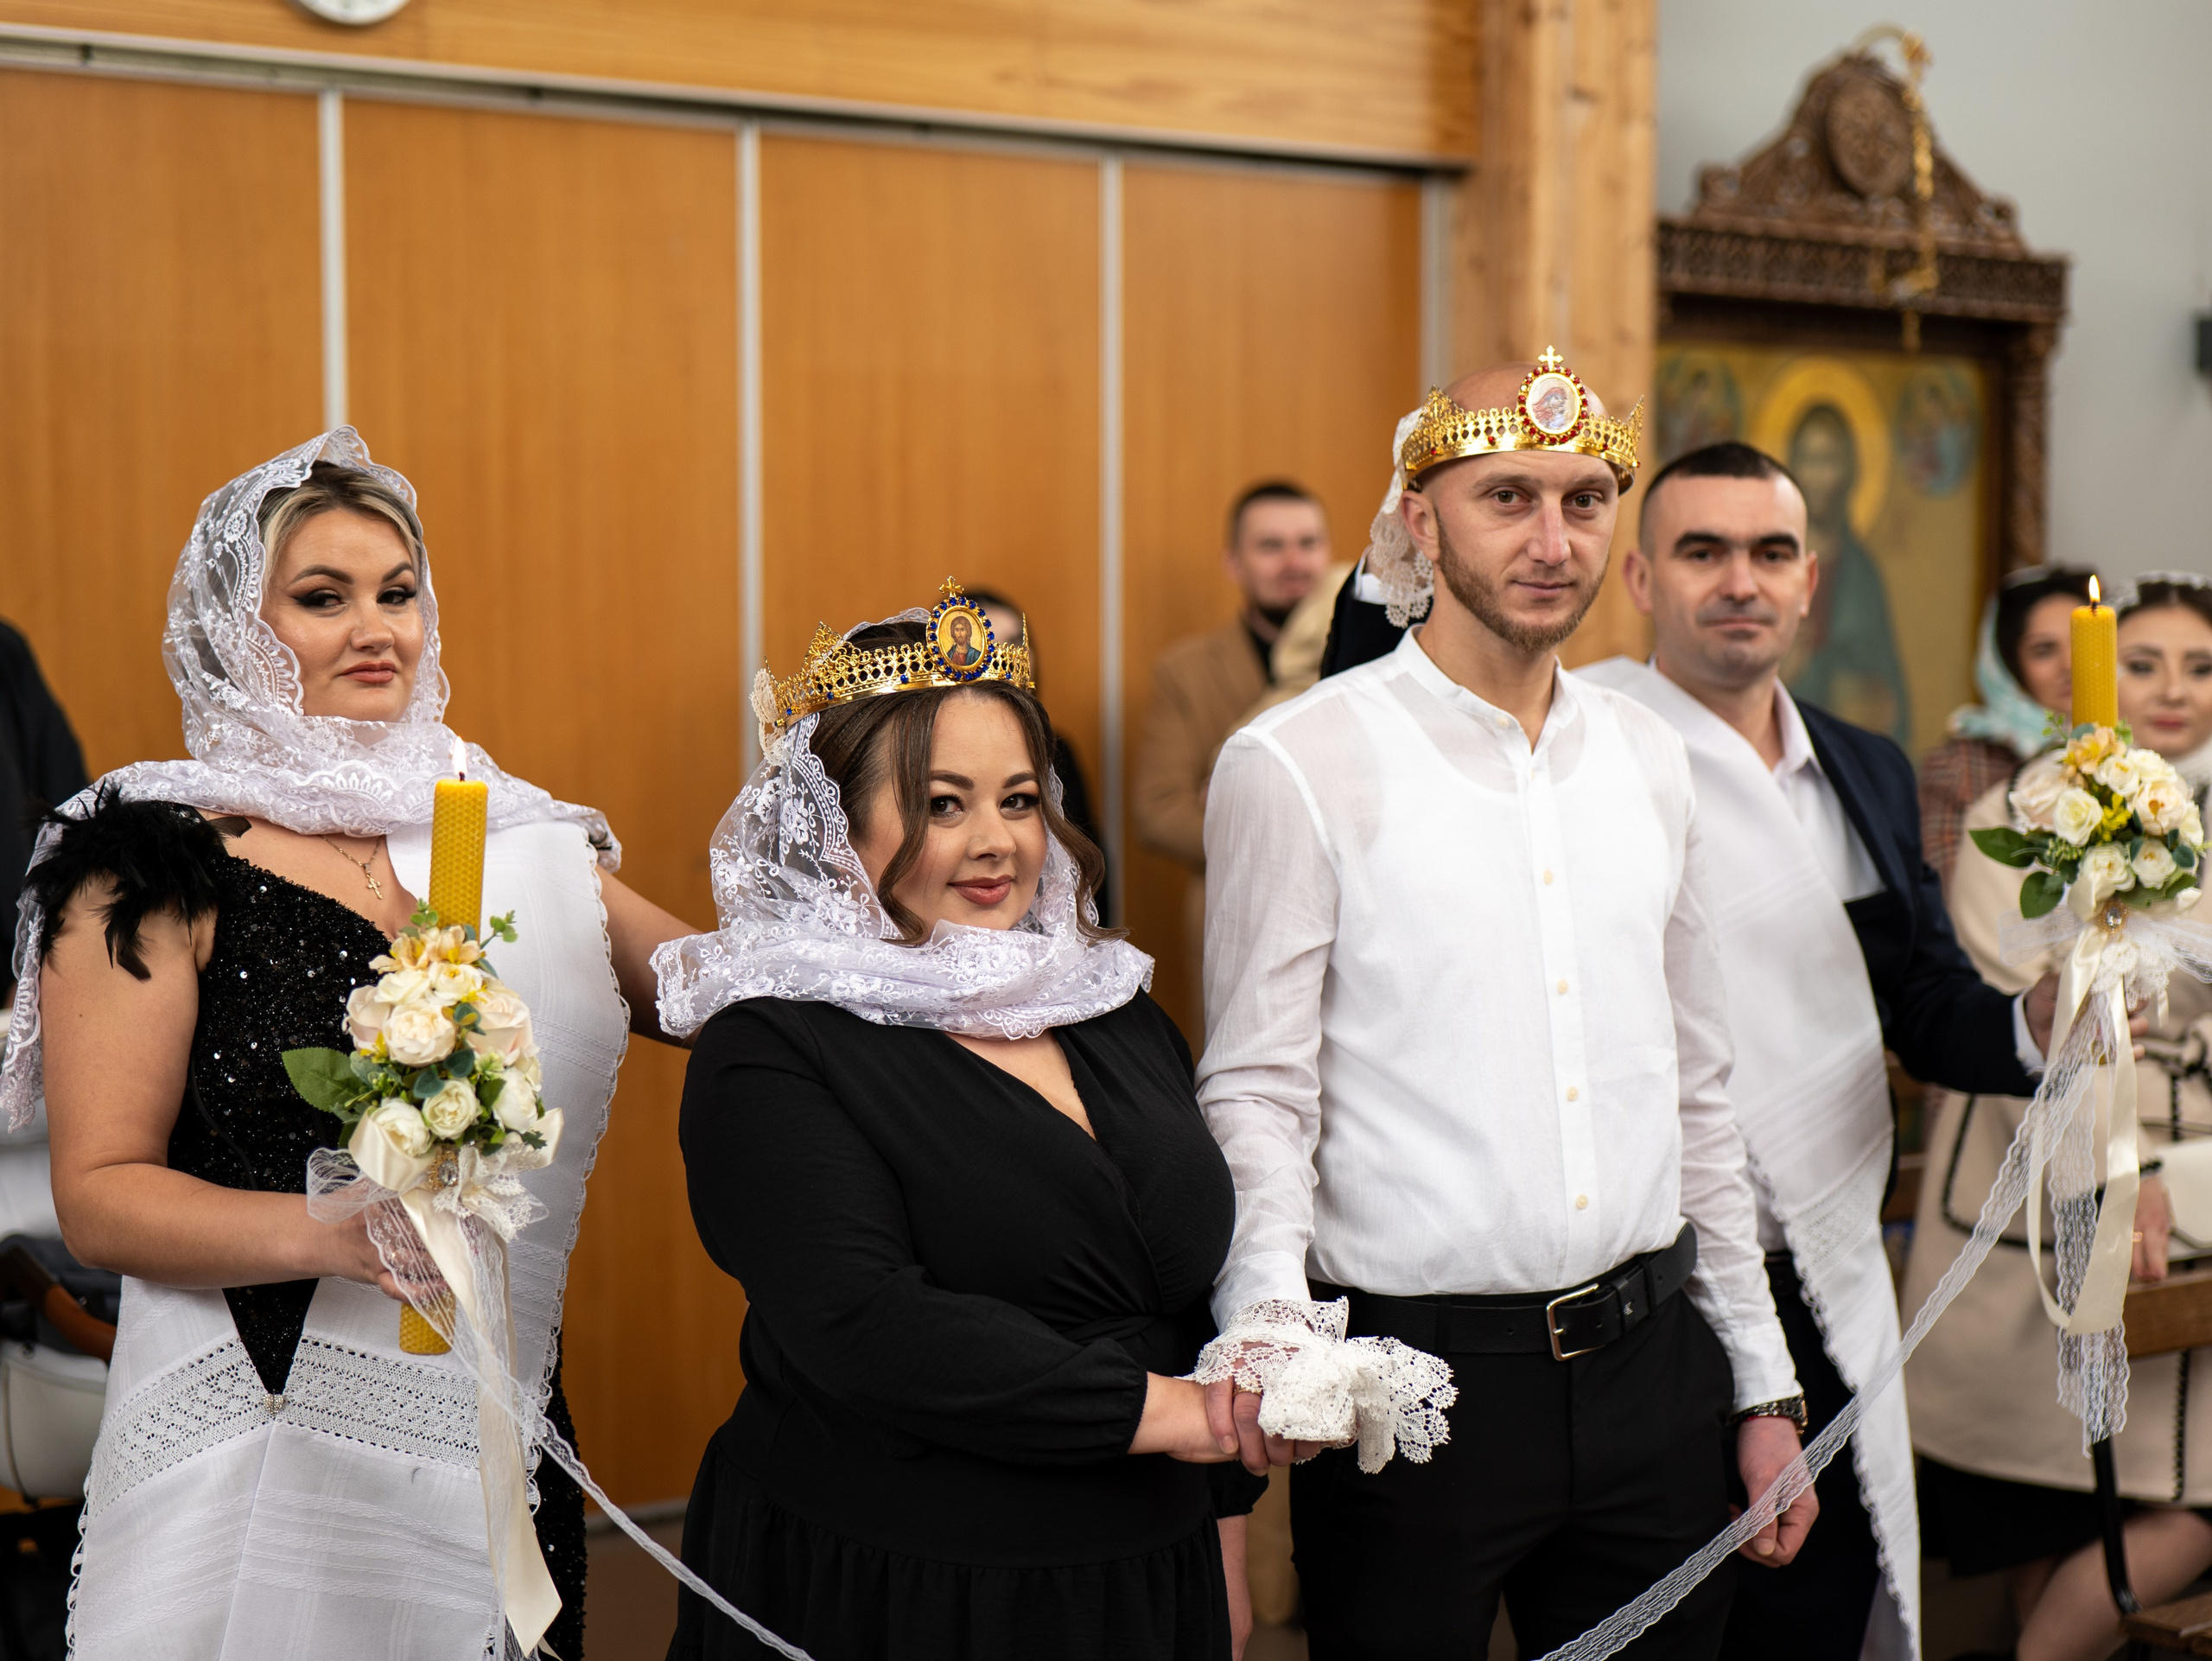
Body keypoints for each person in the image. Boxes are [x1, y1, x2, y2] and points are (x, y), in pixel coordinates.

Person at [9, 431, 699, 1660]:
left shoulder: (512, 833)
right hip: (263, 1436)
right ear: (236, 626)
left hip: (486, 1429)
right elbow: (100, 1195)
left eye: (398, 591)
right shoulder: (153, 857)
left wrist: (879, 917)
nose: (375, 626)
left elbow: (706, 992)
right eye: (322, 598)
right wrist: (333, 1230)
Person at [1198, 357, 1813, 1659]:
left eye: (1587, 501)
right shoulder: (1297, 761)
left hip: (1653, 1370)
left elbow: (1700, 1085)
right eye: (1507, 498)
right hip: (1420, 1393)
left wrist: (1761, 1379)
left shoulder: (1654, 758)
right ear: (1422, 521)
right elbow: (1257, 1085)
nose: (1553, 540)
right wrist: (1268, 1317)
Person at [655, 582, 1294, 1661]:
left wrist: (1226, 1531)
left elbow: (1181, 1281)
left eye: (1019, 798)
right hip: (900, 1580)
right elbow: (865, 1322)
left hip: (1148, 1564)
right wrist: (1182, 1414)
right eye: (943, 803)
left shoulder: (1106, 1001)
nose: (995, 841)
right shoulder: (773, 1042)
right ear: (837, 825)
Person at [1586, 440, 2057, 1660]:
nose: (1740, 580)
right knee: (1676, 1613)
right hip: (1656, 1279)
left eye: (1770, 552)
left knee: (1818, 1594)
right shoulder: (1585, 754)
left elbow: (1923, 994)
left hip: (1832, 1271)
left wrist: (2035, 1022)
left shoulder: (1865, 765)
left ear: (1812, 580)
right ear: (1640, 577)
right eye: (1704, 551)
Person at [1905, 572, 2212, 1661]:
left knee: (2177, 1489)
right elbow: (2029, 1006)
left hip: (2199, 1202)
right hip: (2037, 1174)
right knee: (2047, 1497)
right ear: (2083, 675)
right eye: (2140, 664)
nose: (2172, 689)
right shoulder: (2025, 812)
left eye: (2200, 665)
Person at [1133, 480, 1330, 1028]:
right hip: (1238, 915)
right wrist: (1290, 842)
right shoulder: (1187, 670)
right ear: (1233, 563)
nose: (1294, 562)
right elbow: (1161, 811)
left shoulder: (1371, 659)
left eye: (1308, 543)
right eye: (1271, 546)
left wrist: (1227, 801)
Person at [1919, 566, 2098, 888]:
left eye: (2082, 642)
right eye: (2044, 650)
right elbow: (1947, 894)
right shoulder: (1958, 767)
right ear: (2007, 663)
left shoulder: (2137, 749)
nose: (2069, 665)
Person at [1781, 405, 1911, 748]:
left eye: (1829, 460)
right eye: (1809, 459)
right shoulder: (1771, 565)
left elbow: (1886, 682)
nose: (1818, 476)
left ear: (1849, 470)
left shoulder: (1862, 572)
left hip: (1847, 743)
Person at [965, 587, 1108, 894]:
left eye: (1016, 643)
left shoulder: (1059, 751)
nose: (1008, 658)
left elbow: (1089, 867)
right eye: (989, 646)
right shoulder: (924, 753)